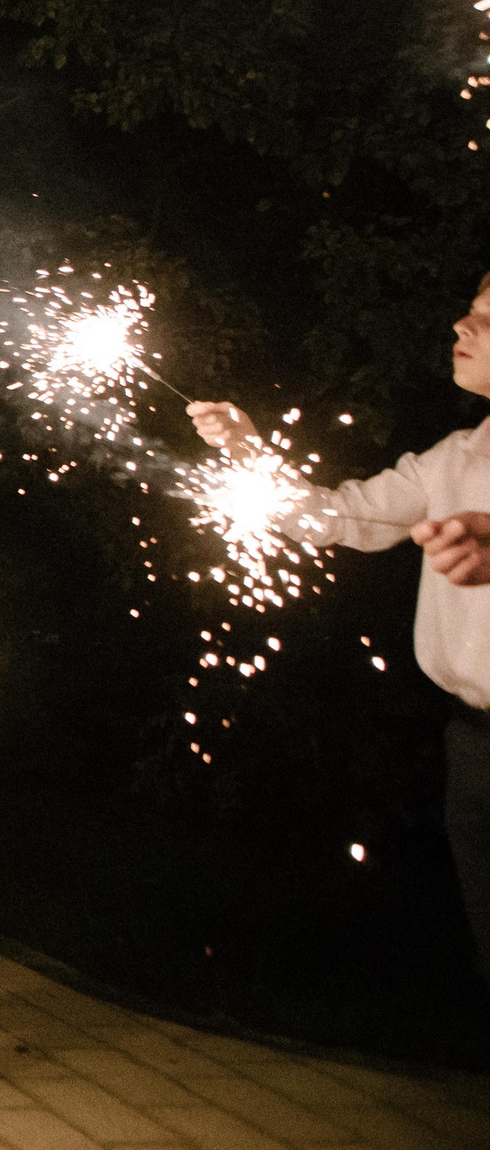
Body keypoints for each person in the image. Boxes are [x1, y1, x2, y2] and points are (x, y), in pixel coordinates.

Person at [189, 269, 490, 982]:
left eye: (488, 317)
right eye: (470, 309)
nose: (462, 326)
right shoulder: (454, 457)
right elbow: (337, 517)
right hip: (474, 750)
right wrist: (246, 449)